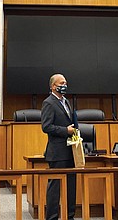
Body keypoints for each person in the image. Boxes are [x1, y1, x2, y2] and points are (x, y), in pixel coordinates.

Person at [41, 73, 76, 220]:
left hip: (70, 151)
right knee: (55, 188)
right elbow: (46, 127)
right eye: (61, 83)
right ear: (53, 86)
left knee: (71, 186)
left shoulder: (66, 101)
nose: (64, 85)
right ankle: (52, 217)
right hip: (57, 152)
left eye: (65, 83)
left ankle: (70, 216)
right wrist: (65, 131)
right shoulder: (48, 103)